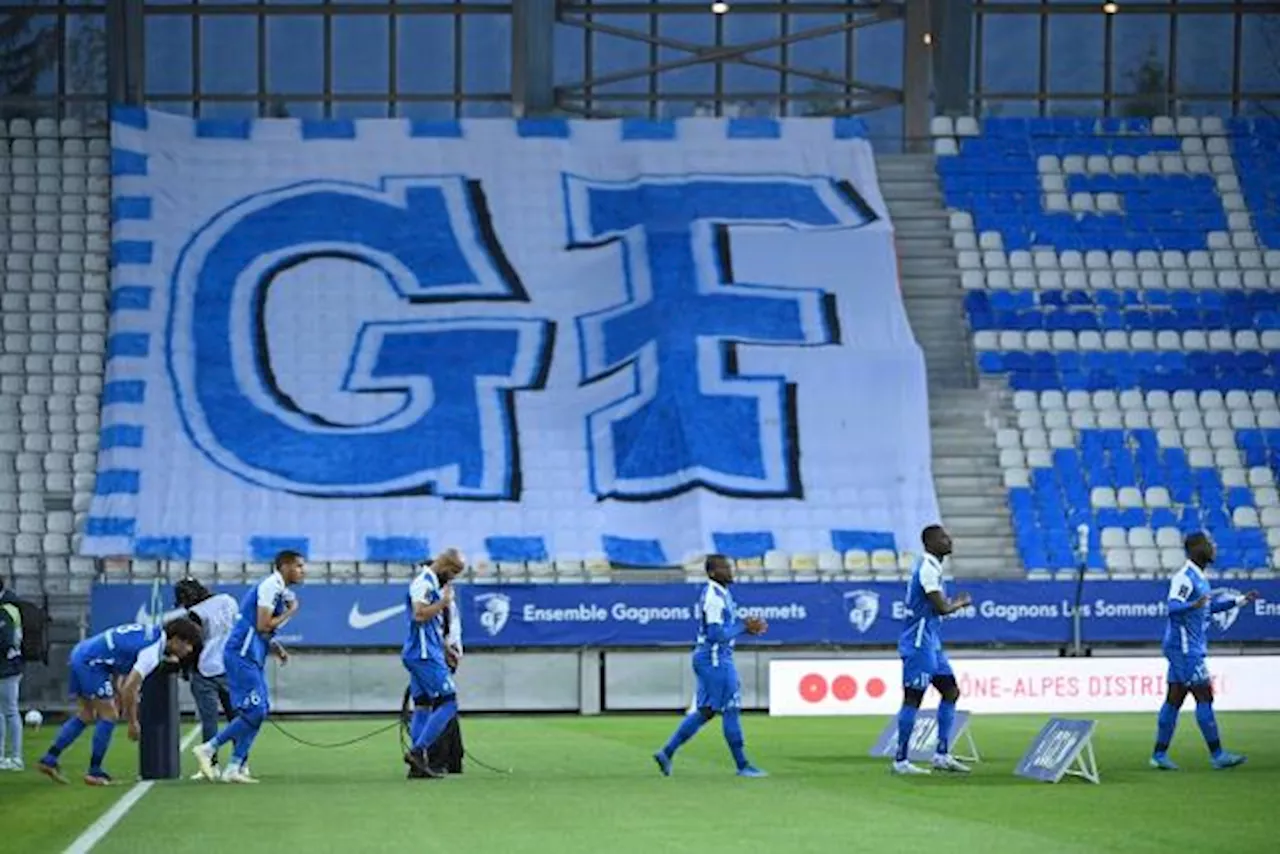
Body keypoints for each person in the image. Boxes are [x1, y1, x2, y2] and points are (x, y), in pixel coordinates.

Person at [36, 617, 202, 785]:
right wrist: (133, 722)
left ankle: (49, 759)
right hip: (92, 663)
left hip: (82, 653)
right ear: (175, 639)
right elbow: (130, 688)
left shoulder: (151, 632)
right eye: (188, 644)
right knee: (109, 715)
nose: (189, 649)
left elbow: (121, 657)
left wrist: (119, 689)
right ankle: (95, 771)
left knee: (87, 714)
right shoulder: (152, 652)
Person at [192, 550, 305, 784]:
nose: (302, 571)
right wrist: (292, 611)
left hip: (252, 654)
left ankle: (234, 766)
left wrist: (274, 646)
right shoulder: (270, 586)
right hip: (241, 655)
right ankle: (209, 748)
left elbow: (259, 627)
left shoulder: (279, 589)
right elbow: (263, 624)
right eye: (299, 566)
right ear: (284, 566)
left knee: (260, 710)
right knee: (254, 711)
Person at [653, 554, 768, 778]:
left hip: (712, 658)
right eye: (725, 568)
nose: (731, 571)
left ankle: (666, 752)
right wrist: (743, 627)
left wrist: (741, 627)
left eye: (731, 567)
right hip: (715, 659)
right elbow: (715, 634)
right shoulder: (714, 597)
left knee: (706, 711)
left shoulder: (722, 593)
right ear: (713, 573)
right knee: (731, 708)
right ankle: (743, 765)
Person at [1150, 532, 1256, 771]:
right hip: (1186, 649)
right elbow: (1172, 606)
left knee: (1174, 699)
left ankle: (1159, 754)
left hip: (1185, 648)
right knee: (1204, 697)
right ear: (1197, 549)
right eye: (1209, 544)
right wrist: (1192, 605)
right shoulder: (1185, 578)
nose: (1214, 547)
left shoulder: (1199, 578)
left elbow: (1207, 609)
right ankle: (1217, 755)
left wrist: (1239, 601)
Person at [168, 577, 288, 779]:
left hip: (205, 670)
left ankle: (210, 766)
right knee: (240, 717)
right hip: (233, 666)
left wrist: (183, 668)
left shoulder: (195, 614)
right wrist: (274, 646)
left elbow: (193, 646)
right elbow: (246, 627)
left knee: (209, 720)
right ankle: (240, 764)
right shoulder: (228, 600)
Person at [892, 524, 972, 776]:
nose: (949, 540)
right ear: (930, 543)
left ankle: (941, 755)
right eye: (943, 538)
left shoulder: (932, 567)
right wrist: (960, 602)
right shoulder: (927, 567)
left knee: (950, 691)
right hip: (918, 643)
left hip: (931, 643)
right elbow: (941, 608)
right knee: (913, 698)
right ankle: (901, 760)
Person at [402, 549, 466, 779]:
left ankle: (417, 765)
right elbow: (419, 614)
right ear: (446, 566)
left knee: (423, 706)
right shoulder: (424, 583)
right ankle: (418, 752)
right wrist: (444, 602)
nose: (454, 577)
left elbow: (428, 625)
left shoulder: (430, 583)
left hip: (423, 651)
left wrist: (445, 646)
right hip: (425, 655)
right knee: (449, 703)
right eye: (455, 572)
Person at [0, 577, 24, 770]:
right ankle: (5, 756)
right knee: (5, 712)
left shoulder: (5, 611)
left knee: (9, 711)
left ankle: (15, 756)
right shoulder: (10, 608)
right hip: (10, 665)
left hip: (7, 667)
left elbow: (6, 641)